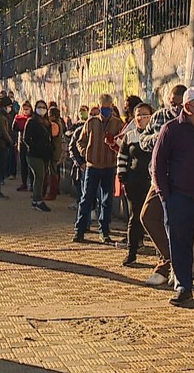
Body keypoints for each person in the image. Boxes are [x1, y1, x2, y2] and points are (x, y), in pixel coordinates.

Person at [152, 86, 194, 306]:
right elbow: (158, 165)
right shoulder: (171, 130)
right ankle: (183, 287)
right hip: (179, 199)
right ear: (188, 107)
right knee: (180, 246)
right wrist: (165, 196)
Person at [139, 84, 186, 286]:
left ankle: (169, 266)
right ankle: (170, 259)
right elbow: (143, 139)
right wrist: (159, 139)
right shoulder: (159, 117)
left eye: (179, 104)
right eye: (172, 103)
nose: (175, 107)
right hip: (158, 177)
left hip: (181, 181)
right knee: (148, 216)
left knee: (176, 225)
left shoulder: (191, 121)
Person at [73, 94, 125, 243]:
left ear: (112, 107)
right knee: (86, 199)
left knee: (107, 201)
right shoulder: (91, 122)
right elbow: (80, 141)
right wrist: (86, 153)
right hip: (92, 166)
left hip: (109, 167)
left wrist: (113, 146)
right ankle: (80, 230)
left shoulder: (117, 124)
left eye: (108, 108)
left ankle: (104, 231)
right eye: (103, 108)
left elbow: (122, 144)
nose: (105, 111)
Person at [117, 102, 154, 266]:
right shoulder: (130, 135)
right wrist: (122, 175)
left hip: (153, 182)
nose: (141, 118)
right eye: (138, 114)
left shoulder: (156, 135)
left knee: (154, 218)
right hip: (133, 181)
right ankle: (132, 252)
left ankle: (163, 255)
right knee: (135, 217)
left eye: (145, 114)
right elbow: (122, 156)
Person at [24, 100, 54, 212]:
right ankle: (37, 200)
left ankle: (38, 199)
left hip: (45, 154)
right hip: (34, 154)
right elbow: (26, 138)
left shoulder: (47, 123)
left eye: (43, 107)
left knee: (43, 176)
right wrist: (34, 147)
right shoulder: (31, 121)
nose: (41, 109)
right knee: (39, 176)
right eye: (39, 107)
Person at [45, 106, 65, 201]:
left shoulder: (55, 125)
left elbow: (52, 135)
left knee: (53, 172)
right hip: (55, 150)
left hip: (54, 151)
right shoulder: (58, 123)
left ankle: (52, 193)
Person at [14, 101, 33, 190]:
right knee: (23, 164)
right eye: (24, 109)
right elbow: (14, 128)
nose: (25, 111)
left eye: (27, 109)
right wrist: (16, 120)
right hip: (22, 143)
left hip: (31, 144)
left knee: (31, 165)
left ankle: (32, 184)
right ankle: (24, 183)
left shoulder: (33, 119)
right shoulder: (19, 118)